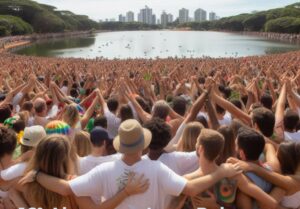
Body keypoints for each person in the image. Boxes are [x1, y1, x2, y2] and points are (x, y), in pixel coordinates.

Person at [20, 119, 242, 209]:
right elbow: (190, 188)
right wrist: (220, 170)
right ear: (142, 145)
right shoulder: (157, 168)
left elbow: (66, 188)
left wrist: (38, 174)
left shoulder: (105, 168)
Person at [183, 128, 277, 209]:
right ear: (219, 153)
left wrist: (215, 206)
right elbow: (272, 203)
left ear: (200, 149)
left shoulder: (189, 181)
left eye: (196, 142)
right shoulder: (232, 173)